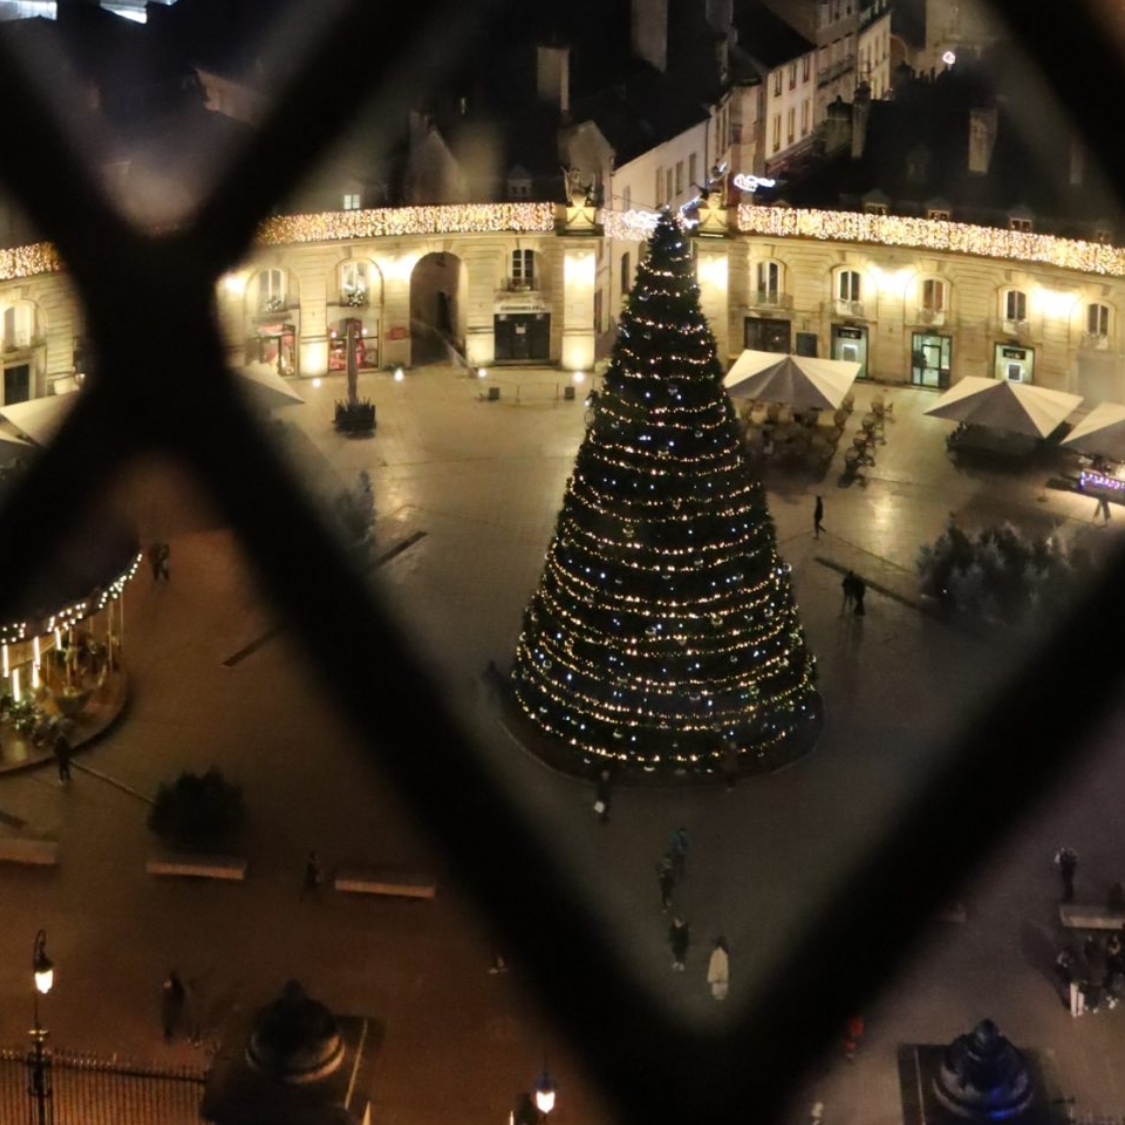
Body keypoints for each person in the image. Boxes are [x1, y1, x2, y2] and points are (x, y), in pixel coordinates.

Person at [161, 970, 185, 1043]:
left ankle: (168, 1034)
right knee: (171, 1019)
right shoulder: (176, 984)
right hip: (174, 1004)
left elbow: (166, 991)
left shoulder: (172, 983)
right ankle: (169, 1034)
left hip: (173, 1004)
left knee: (171, 1020)